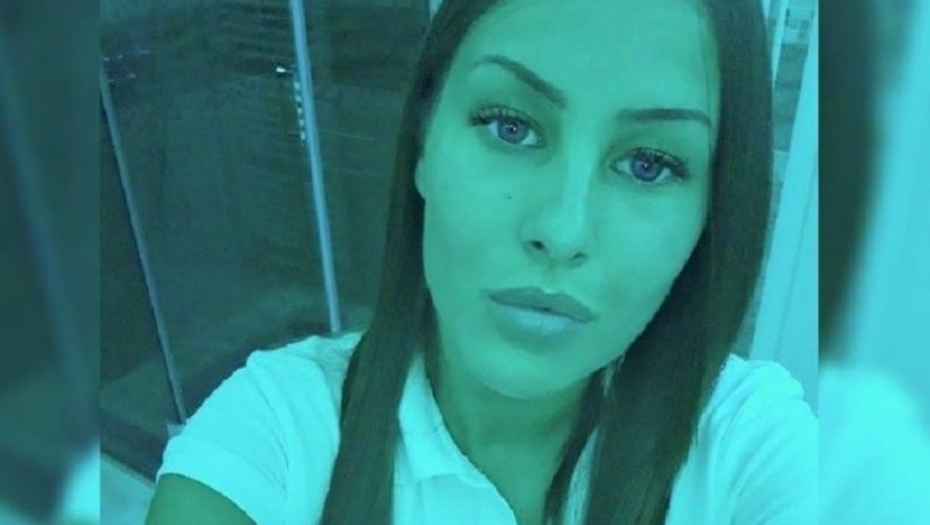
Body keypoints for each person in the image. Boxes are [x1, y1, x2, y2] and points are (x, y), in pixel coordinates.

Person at [145, 0, 816, 524]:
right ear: (423, 143)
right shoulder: (278, 430)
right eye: (510, 126)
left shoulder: (747, 442)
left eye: (649, 164)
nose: (561, 230)